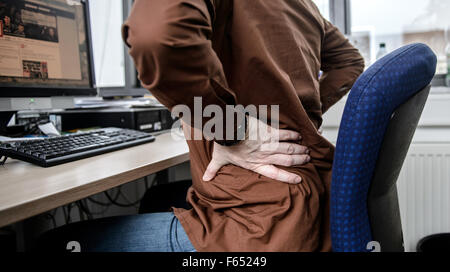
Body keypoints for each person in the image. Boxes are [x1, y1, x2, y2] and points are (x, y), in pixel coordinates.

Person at [39, 0, 364, 252]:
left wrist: (235, 131)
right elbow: (350, 61)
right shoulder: (302, 4)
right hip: (310, 205)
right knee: (154, 196)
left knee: (49, 243)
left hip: (259, 230)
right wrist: (295, 118)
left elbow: (158, 38)